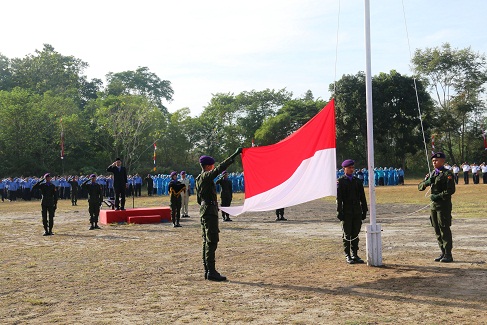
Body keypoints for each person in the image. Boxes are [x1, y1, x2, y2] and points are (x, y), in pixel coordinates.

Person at [196, 148, 242, 281]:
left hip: (205, 210)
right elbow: (219, 169)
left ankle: (207, 270)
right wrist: (234, 154)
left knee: (206, 241)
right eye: (212, 166)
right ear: (208, 166)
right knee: (212, 241)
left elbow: (200, 200)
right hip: (209, 212)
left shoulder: (199, 178)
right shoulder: (205, 176)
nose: (214, 167)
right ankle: (211, 271)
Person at [418, 152, 456, 263]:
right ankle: (443, 252)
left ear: (442, 161)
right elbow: (420, 187)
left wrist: (438, 196)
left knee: (444, 228)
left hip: (443, 205)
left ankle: (448, 254)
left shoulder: (447, 173)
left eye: (436, 161)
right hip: (433, 206)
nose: (434, 163)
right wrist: (426, 182)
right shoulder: (432, 173)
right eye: (433, 161)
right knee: (436, 229)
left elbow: (451, 190)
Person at [336, 159, 368, 264]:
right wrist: (339, 212)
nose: (351, 169)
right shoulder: (340, 182)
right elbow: (339, 199)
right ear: (344, 169)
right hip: (346, 211)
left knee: (355, 233)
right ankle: (348, 255)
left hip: (357, 211)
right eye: (349, 167)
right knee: (347, 233)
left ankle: (355, 254)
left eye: (352, 167)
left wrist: (364, 210)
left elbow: (362, 198)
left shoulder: (357, 181)